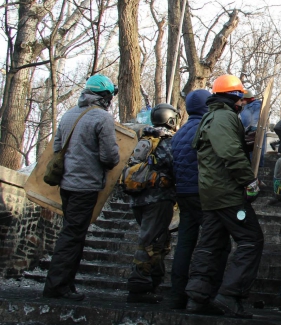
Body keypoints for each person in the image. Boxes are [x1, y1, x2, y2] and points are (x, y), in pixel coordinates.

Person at [185, 74, 264, 318]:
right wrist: (249, 182)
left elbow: (224, 147)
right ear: (235, 97)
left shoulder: (211, 116)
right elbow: (229, 153)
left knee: (211, 244)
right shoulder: (224, 117)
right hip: (228, 194)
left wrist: (246, 143)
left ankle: (198, 297)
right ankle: (230, 296)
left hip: (211, 194)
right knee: (251, 240)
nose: (243, 104)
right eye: (242, 99)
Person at [43, 75, 120, 301]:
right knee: (72, 236)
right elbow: (109, 156)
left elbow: (57, 147)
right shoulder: (101, 118)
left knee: (72, 232)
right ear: (104, 97)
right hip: (85, 185)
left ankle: (66, 284)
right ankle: (56, 287)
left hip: (66, 183)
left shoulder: (68, 115)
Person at [169, 89, 230, 310]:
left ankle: (177, 295)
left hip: (183, 194)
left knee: (185, 243)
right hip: (204, 193)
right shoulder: (208, 127)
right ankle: (205, 293)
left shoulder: (180, 132)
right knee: (216, 242)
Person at [122, 103, 178, 304]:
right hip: (158, 199)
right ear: (171, 120)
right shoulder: (168, 142)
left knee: (157, 241)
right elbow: (175, 165)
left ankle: (152, 283)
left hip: (139, 199)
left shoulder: (144, 139)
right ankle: (138, 286)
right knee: (149, 243)